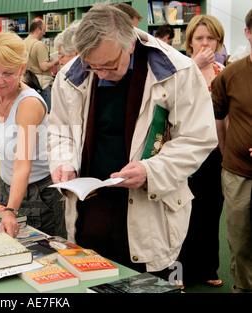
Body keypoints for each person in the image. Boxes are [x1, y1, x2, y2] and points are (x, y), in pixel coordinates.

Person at [48, 3, 217, 278]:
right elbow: (59, 130)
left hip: (148, 211)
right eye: (92, 66)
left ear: (129, 45)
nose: (101, 74)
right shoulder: (70, 75)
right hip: (90, 209)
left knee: (144, 282)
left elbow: (198, 138)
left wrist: (151, 171)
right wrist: (64, 161)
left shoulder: (178, 71)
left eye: (110, 66)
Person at [0, 32, 65, 238]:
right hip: (8, 188)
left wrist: (11, 210)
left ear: (21, 69)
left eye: (8, 73)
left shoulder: (28, 104)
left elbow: (22, 164)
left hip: (38, 194)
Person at [177, 14, 226, 288]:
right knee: (184, 213)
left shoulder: (223, 71)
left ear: (218, 41)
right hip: (186, 153)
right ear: (190, 42)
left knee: (211, 211)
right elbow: (172, 101)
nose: (205, 43)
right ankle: (179, 273)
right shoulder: (181, 67)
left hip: (217, 153)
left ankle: (208, 267)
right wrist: (195, 67)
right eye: (199, 38)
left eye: (211, 38)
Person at [211, 9, 252, 293]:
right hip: (239, 173)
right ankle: (244, 287)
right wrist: (227, 155)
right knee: (239, 240)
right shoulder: (231, 75)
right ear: (248, 33)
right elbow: (218, 118)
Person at [24, 18, 59, 112]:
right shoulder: (39, 45)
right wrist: (56, 61)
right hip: (42, 85)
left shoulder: (23, 43)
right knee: (47, 114)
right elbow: (44, 66)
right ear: (37, 30)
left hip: (28, 83)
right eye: (43, 30)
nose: (44, 33)